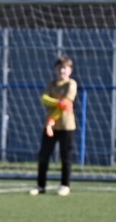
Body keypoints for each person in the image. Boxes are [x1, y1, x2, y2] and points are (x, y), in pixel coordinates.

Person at [30, 56, 77, 197]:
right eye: (59, 68)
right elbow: (44, 99)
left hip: (66, 126)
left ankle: (65, 185)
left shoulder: (71, 84)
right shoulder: (51, 84)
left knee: (65, 157)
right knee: (43, 156)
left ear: (70, 70)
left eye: (65, 68)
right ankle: (41, 185)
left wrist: (51, 119)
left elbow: (66, 105)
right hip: (50, 127)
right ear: (55, 69)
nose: (62, 71)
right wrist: (57, 103)